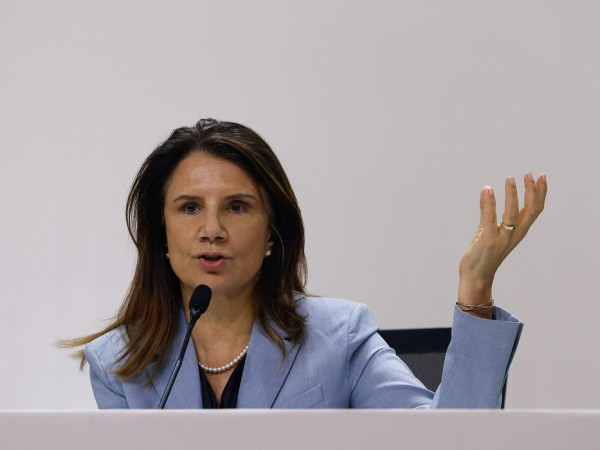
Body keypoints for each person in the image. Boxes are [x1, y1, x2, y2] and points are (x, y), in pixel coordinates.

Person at [63, 118, 547, 409]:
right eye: (190, 207)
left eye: (237, 207)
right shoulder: (119, 362)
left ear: (272, 231)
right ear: (161, 232)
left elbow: (449, 443)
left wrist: (476, 286)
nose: (212, 229)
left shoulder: (340, 337)